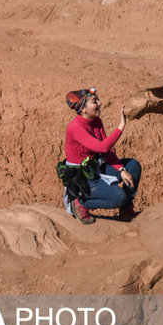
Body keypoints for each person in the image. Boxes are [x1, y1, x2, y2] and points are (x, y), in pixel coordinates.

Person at [63, 88, 141, 224]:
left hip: (96, 169)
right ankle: (81, 203)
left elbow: (106, 151)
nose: (100, 103)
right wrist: (121, 126)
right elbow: (102, 146)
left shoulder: (96, 121)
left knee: (133, 166)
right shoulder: (76, 127)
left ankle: (125, 209)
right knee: (119, 197)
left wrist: (121, 170)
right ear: (83, 110)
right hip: (83, 179)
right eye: (95, 101)